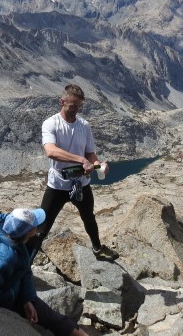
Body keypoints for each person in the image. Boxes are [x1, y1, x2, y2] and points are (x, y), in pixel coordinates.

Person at [29, 83, 119, 262]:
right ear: (62, 101)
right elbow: (51, 151)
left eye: (79, 106)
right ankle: (26, 261)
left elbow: (90, 152)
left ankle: (97, 249)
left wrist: (98, 164)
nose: (76, 110)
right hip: (58, 184)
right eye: (72, 106)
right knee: (42, 227)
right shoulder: (51, 123)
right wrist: (81, 160)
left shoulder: (84, 125)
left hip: (81, 183)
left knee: (89, 218)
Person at [0, 208, 88, 336]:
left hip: (12, 289)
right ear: (31, 231)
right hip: (1, 301)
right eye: (36, 224)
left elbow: (24, 272)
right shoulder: (2, 260)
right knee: (53, 319)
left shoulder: (13, 237)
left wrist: (27, 299)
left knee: (53, 318)